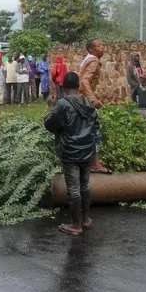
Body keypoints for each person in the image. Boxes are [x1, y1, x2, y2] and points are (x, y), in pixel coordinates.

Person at [44, 72, 97, 235]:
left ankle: (76, 225)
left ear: (64, 86)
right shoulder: (87, 101)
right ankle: (86, 219)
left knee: (74, 189)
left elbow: (50, 125)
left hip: (70, 151)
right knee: (84, 186)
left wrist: (51, 109)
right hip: (88, 150)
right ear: (78, 86)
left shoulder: (62, 104)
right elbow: (95, 123)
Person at [78, 39, 110, 174]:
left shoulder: (88, 59)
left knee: (83, 132)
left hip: (79, 99)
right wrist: (93, 99)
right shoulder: (94, 60)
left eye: (103, 45)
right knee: (95, 133)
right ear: (91, 49)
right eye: (99, 46)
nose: (102, 48)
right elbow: (85, 81)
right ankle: (95, 165)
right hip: (84, 101)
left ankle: (86, 163)